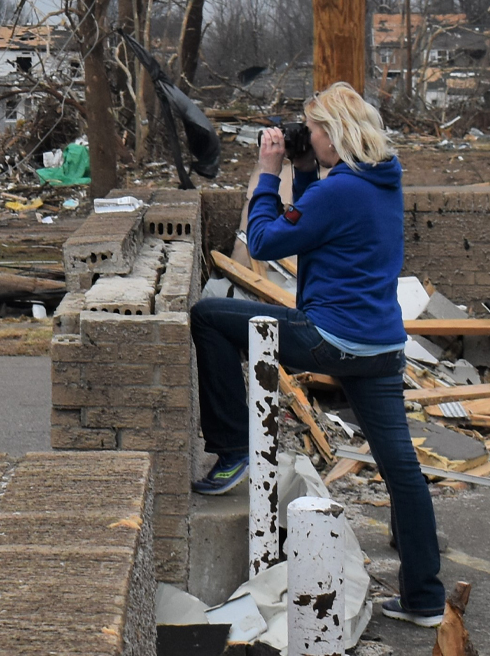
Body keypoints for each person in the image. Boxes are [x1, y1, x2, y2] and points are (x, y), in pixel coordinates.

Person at [188, 82, 446, 627]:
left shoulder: (339, 192)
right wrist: (304, 171)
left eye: (316, 130)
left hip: (331, 339)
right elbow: (312, 220)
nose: (312, 138)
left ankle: (232, 445)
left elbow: (263, 242)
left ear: (335, 132)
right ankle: (425, 597)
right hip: (382, 347)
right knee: (402, 469)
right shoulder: (381, 181)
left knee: (209, 317)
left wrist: (267, 171)